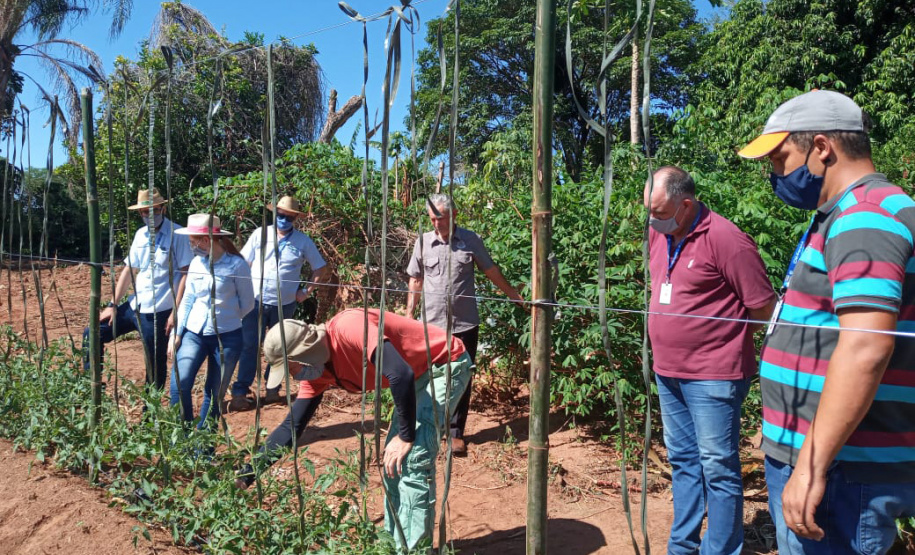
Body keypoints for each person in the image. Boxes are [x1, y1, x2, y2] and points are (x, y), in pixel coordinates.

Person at [738, 89, 915, 553]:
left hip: (842, 468)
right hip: (825, 455)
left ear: (821, 147)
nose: (773, 174)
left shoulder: (866, 218)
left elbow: (865, 347)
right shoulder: (842, 215)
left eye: (780, 159)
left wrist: (812, 464)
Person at [235, 309, 472, 552]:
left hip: (444, 364)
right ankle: (393, 545)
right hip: (415, 376)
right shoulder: (318, 373)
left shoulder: (350, 328)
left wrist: (405, 435)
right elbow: (291, 427)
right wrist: (246, 476)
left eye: (292, 368)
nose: (294, 376)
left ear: (306, 351)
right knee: (393, 462)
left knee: (413, 459)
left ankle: (415, 550)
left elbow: (400, 373)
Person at [644, 166, 777, 555]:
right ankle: (682, 546)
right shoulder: (659, 233)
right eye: (649, 212)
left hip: (713, 377)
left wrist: (721, 342)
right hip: (668, 372)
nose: (653, 221)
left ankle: (719, 550)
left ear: (686, 205)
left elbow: (763, 308)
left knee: (718, 467)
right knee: (683, 462)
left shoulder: (727, 239)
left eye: (660, 212)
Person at [405, 193, 523, 456]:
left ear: (454, 215)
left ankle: (456, 433)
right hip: (431, 324)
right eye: (433, 219)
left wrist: (512, 294)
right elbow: (415, 279)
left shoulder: (470, 240)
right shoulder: (422, 243)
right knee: (427, 376)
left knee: (461, 377)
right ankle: (428, 427)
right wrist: (409, 314)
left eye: (442, 218)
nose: (437, 224)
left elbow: (490, 270)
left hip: (464, 323)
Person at [83, 188, 192, 390]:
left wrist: (176, 311)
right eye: (144, 212)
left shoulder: (178, 235)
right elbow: (129, 270)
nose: (149, 216)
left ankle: (151, 411)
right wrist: (113, 305)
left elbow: (186, 274)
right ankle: (92, 385)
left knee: (154, 361)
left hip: (159, 310)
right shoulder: (140, 235)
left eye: (154, 210)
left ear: (163, 209)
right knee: (93, 332)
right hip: (136, 305)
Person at [229, 195, 329, 411]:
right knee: (249, 346)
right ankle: (240, 391)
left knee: (279, 348)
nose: (284, 219)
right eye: (281, 215)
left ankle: (272, 391)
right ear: (275, 214)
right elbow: (242, 262)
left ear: (295, 219)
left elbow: (320, 268)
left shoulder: (303, 241)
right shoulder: (260, 235)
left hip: (285, 305)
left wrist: (307, 291)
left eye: (289, 217)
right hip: (254, 301)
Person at [169, 214, 255, 428]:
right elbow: (188, 299)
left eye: (192, 242)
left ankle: (203, 444)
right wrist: (177, 333)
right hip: (194, 333)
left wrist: (227, 317)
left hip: (227, 337)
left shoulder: (236, 266)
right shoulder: (196, 264)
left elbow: (247, 304)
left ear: (205, 241)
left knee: (213, 393)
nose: (191, 247)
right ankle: (183, 436)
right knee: (179, 383)